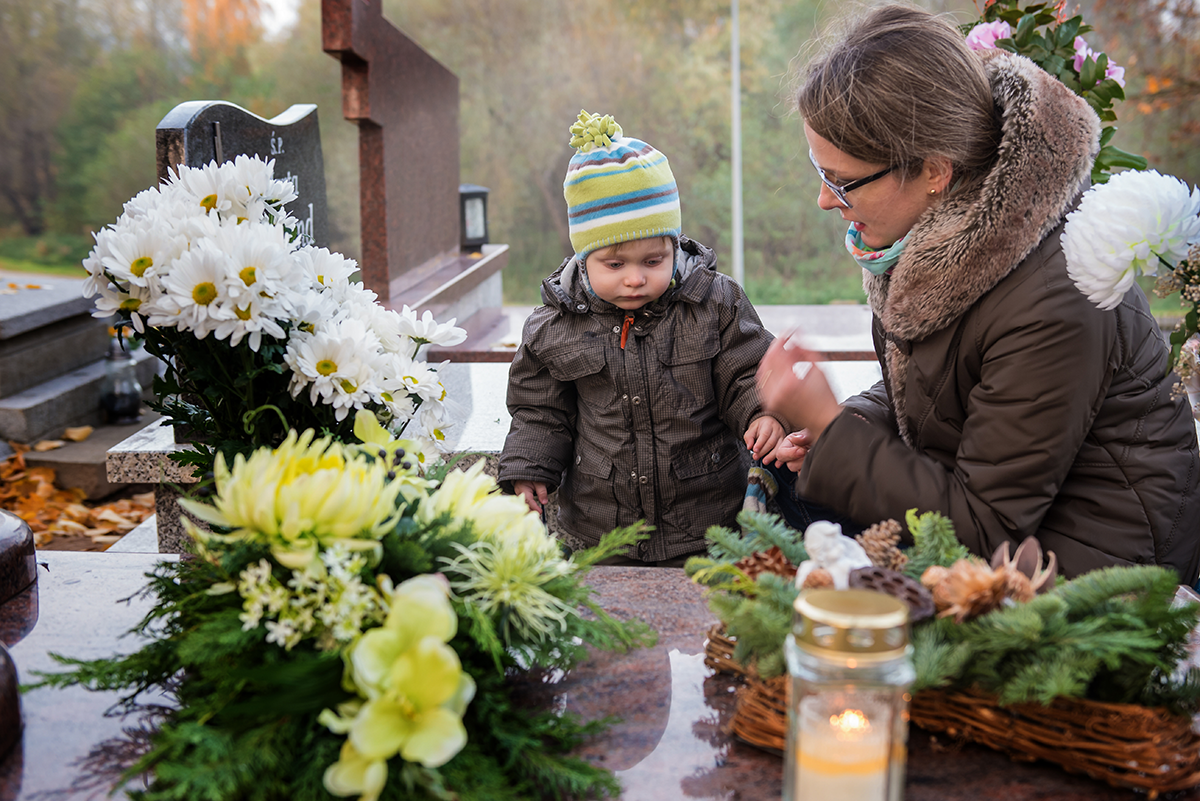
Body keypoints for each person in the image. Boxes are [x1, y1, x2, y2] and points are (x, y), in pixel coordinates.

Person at [756, 5, 1200, 581]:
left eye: (842, 182)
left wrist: (834, 432)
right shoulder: (939, 235)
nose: (824, 201)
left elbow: (985, 526)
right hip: (1012, 539)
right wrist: (842, 422)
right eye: (820, 174)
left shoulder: (1052, 295)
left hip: (1098, 577)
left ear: (934, 170)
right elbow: (940, 395)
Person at [498, 111, 786, 566]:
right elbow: (540, 412)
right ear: (584, 255)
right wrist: (528, 469)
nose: (635, 278)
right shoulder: (555, 324)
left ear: (674, 246)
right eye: (615, 265)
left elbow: (749, 371)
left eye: (654, 260)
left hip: (708, 521)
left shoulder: (714, 303)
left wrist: (764, 413)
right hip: (602, 529)